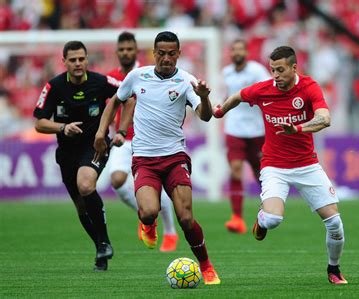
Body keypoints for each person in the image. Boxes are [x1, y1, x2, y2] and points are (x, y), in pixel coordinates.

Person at [213, 46, 348, 285]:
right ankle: (262, 219)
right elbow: (237, 96)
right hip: (274, 166)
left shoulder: (309, 87)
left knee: (335, 223)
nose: (275, 75)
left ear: (294, 68)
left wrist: (297, 128)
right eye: (272, 70)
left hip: (308, 165)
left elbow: (325, 118)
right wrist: (221, 110)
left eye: (280, 70)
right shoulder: (263, 90)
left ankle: (333, 269)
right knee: (274, 220)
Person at [94, 31, 220, 284]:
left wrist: (205, 97)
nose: (166, 58)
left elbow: (205, 116)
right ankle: (148, 224)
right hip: (144, 159)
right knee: (149, 211)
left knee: (185, 217)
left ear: (178, 54)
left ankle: (206, 266)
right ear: (154, 53)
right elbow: (115, 102)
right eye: (161, 53)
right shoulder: (137, 76)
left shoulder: (187, 81)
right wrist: (100, 132)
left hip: (175, 157)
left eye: (171, 53)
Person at [33, 41, 119, 271]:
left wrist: (120, 129)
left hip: (95, 146)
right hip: (67, 153)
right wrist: (62, 128)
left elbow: (127, 95)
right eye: (73, 60)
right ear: (64, 62)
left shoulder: (101, 82)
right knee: (81, 207)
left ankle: (103, 243)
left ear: (87, 59)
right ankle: (102, 247)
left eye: (81, 59)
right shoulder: (54, 87)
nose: (78, 63)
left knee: (86, 183)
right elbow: (39, 123)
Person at [106, 31, 179, 252]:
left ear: (136, 51)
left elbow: (133, 103)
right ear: (117, 52)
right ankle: (145, 215)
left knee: (159, 191)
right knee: (117, 180)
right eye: (122, 49)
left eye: (129, 49)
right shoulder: (110, 77)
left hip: (149, 141)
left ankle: (169, 232)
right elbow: (109, 106)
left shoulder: (147, 73)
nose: (126, 52)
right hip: (123, 139)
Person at [221, 39, 270, 234]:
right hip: (234, 129)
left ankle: (266, 211)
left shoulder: (257, 71)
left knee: (262, 175)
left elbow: (269, 89)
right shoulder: (225, 73)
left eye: (241, 49)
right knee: (235, 170)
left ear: (247, 52)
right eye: (234, 49)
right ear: (230, 53)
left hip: (257, 130)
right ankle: (237, 218)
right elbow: (222, 96)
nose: (237, 53)